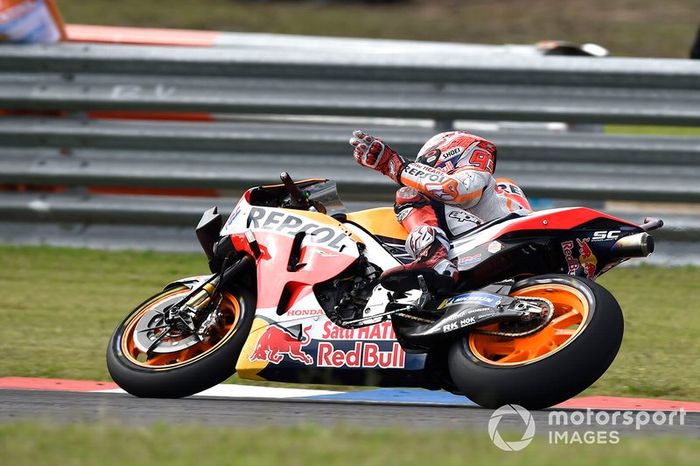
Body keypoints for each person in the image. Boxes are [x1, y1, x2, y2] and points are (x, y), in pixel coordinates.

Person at [350, 130, 531, 293]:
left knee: (407, 196)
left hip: (499, 243)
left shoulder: (477, 177)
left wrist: (392, 164)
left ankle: (433, 259)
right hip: (517, 251)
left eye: (425, 164)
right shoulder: (504, 189)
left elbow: (455, 190)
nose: (423, 171)